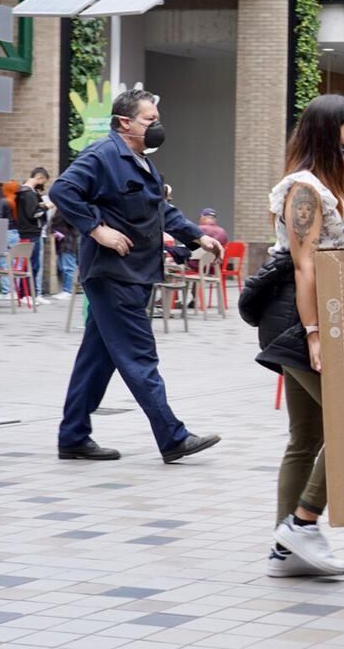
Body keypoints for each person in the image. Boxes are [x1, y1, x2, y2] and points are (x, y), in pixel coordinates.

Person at [256, 94, 344, 577]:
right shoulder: (304, 189)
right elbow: (305, 265)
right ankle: (302, 523)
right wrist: (315, 334)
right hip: (298, 321)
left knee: (307, 436)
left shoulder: (332, 187)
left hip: (315, 318)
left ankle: (285, 551)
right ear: (327, 133)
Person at [48, 88, 223, 464]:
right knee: (139, 356)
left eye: (157, 120)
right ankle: (172, 437)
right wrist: (97, 229)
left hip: (134, 273)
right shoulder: (103, 154)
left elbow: (160, 211)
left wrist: (200, 236)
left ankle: (73, 436)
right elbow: (62, 190)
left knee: (96, 359)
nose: (156, 127)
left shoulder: (141, 162)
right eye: (149, 121)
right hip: (114, 274)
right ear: (124, 122)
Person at [15, 168, 52, 304]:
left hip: (26, 232)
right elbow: (33, 213)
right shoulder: (29, 193)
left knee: (28, 264)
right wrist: (46, 207)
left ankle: (25, 294)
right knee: (32, 265)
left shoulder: (22, 192)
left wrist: (40, 205)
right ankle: (27, 295)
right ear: (40, 178)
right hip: (32, 232)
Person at [48, 209, 78, 299]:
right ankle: (66, 290)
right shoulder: (59, 209)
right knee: (63, 266)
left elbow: (72, 223)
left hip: (68, 241)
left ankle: (68, 291)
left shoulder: (67, 209)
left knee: (68, 267)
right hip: (61, 242)